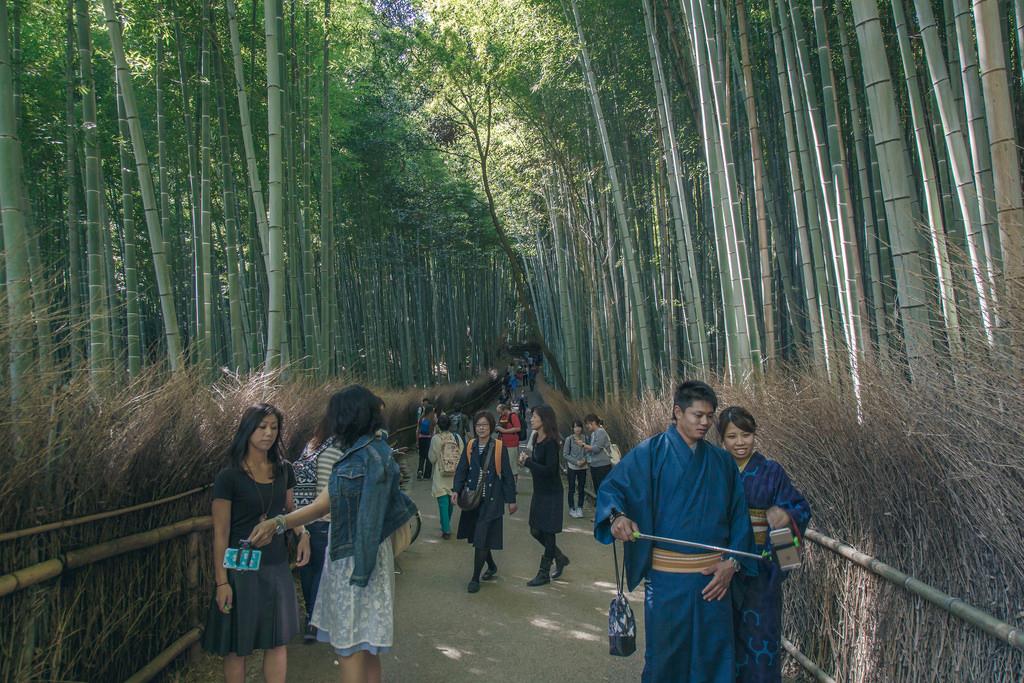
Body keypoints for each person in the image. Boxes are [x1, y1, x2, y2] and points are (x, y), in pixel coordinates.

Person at [249, 386, 417, 683]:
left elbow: (330, 509)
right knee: (367, 649)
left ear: (347, 417)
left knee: (349, 647)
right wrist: (279, 523)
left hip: (353, 560)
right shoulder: (375, 450)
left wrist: (277, 523)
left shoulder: (358, 458)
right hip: (370, 558)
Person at [594, 381, 757, 683]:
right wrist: (617, 516)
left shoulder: (722, 462)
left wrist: (732, 564)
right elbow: (612, 488)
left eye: (710, 416)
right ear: (677, 412)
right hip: (667, 582)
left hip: (714, 582)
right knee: (665, 660)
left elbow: (739, 519)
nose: (705, 422)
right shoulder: (650, 452)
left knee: (715, 658)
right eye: (697, 415)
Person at [202, 404, 309, 683]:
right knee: (238, 646)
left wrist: (303, 533)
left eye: (274, 427)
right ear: (247, 429)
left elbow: (290, 510)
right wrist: (222, 582)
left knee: (277, 642)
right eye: (262, 427)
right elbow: (221, 532)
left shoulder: (284, 470)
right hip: (240, 569)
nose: (268, 433)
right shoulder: (229, 477)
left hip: (275, 566)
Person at [718, 407, 811, 683]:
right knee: (721, 643)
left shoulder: (771, 471)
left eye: (746, 435)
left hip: (760, 573)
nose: (739, 442)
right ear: (721, 440)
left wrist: (786, 516)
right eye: (731, 436)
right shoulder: (715, 470)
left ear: (755, 435)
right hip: (721, 570)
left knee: (762, 643)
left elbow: (800, 507)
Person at [291, 417, 346, 643]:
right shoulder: (341, 449)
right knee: (321, 574)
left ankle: (310, 617)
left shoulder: (310, 447)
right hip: (326, 519)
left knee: (307, 569)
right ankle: (314, 621)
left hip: (303, 520)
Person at [451, 410, 518, 593]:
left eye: (484, 425)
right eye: (478, 425)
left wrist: (511, 500)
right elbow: (462, 470)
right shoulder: (470, 445)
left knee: (481, 537)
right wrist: (456, 490)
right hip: (473, 499)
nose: (481, 428)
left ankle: (474, 579)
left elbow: (506, 475)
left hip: (492, 500)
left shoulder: (498, 447)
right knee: (479, 537)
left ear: (491, 427)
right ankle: (492, 566)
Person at [519, 405, 569, 586]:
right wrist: (527, 461)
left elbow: (549, 470)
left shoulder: (551, 442)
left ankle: (544, 572)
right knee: (535, 530)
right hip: (540, 491)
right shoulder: (535, 437)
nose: (531, 419)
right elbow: (537, 465)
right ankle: (559, 557)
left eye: (534, 416)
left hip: (552, 493)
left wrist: (528, 462)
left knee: (547, 532)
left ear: (544, 419)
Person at [428, 414, 464, 539]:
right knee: (451, 501)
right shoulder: (457, 437)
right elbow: (462, 454)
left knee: (442, 502)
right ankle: (446, 524)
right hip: (455, 474)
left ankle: (446, 529)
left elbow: (432, 458)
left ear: (438, 425)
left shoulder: (435, 439)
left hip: (441, 473)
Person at [580, 414, 612, 498]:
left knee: (603, 490)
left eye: (587, 423)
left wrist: (584, 445)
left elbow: (597, 448)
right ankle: (601, 508)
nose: (586, 426)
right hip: (595, 465)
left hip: (603, 466)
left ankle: (608, 510)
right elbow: (592, 450)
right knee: (597, 489)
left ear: (593, 422)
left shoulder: (601, 432)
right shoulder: (593, 434)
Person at [563, 419, 588, 518]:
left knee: (581, 488)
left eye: (579, 426)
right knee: (572, 488)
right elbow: (565, 454)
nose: (577, 429)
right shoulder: (569, 439)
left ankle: (580, 507)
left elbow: (589, 452)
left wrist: (584, 460)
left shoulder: (585, 438)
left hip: (583, 466)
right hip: (572, 467)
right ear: (572, 428)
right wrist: (575, 461)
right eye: (575, 427)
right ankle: (571, 508)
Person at [495, 403, 522, 479]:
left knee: (512, 465)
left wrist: (503, 430)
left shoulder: (513, 416)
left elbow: (518, 428)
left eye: (500, 412)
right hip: (502, 443)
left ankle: (513, 485)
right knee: (504, 464)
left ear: (505, 410)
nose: (499, 414)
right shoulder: (502, 417)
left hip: (512, 444)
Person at [416, 405, 435, 480]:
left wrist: (417, 441)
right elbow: (431, 431)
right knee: (429, 457)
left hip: (421, 439)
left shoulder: (421, 418)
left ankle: (420, 470)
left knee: (422, 456)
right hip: (428, 439)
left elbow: (418, 430)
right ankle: (427, 475)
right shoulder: (431, 420)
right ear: (431, 411)